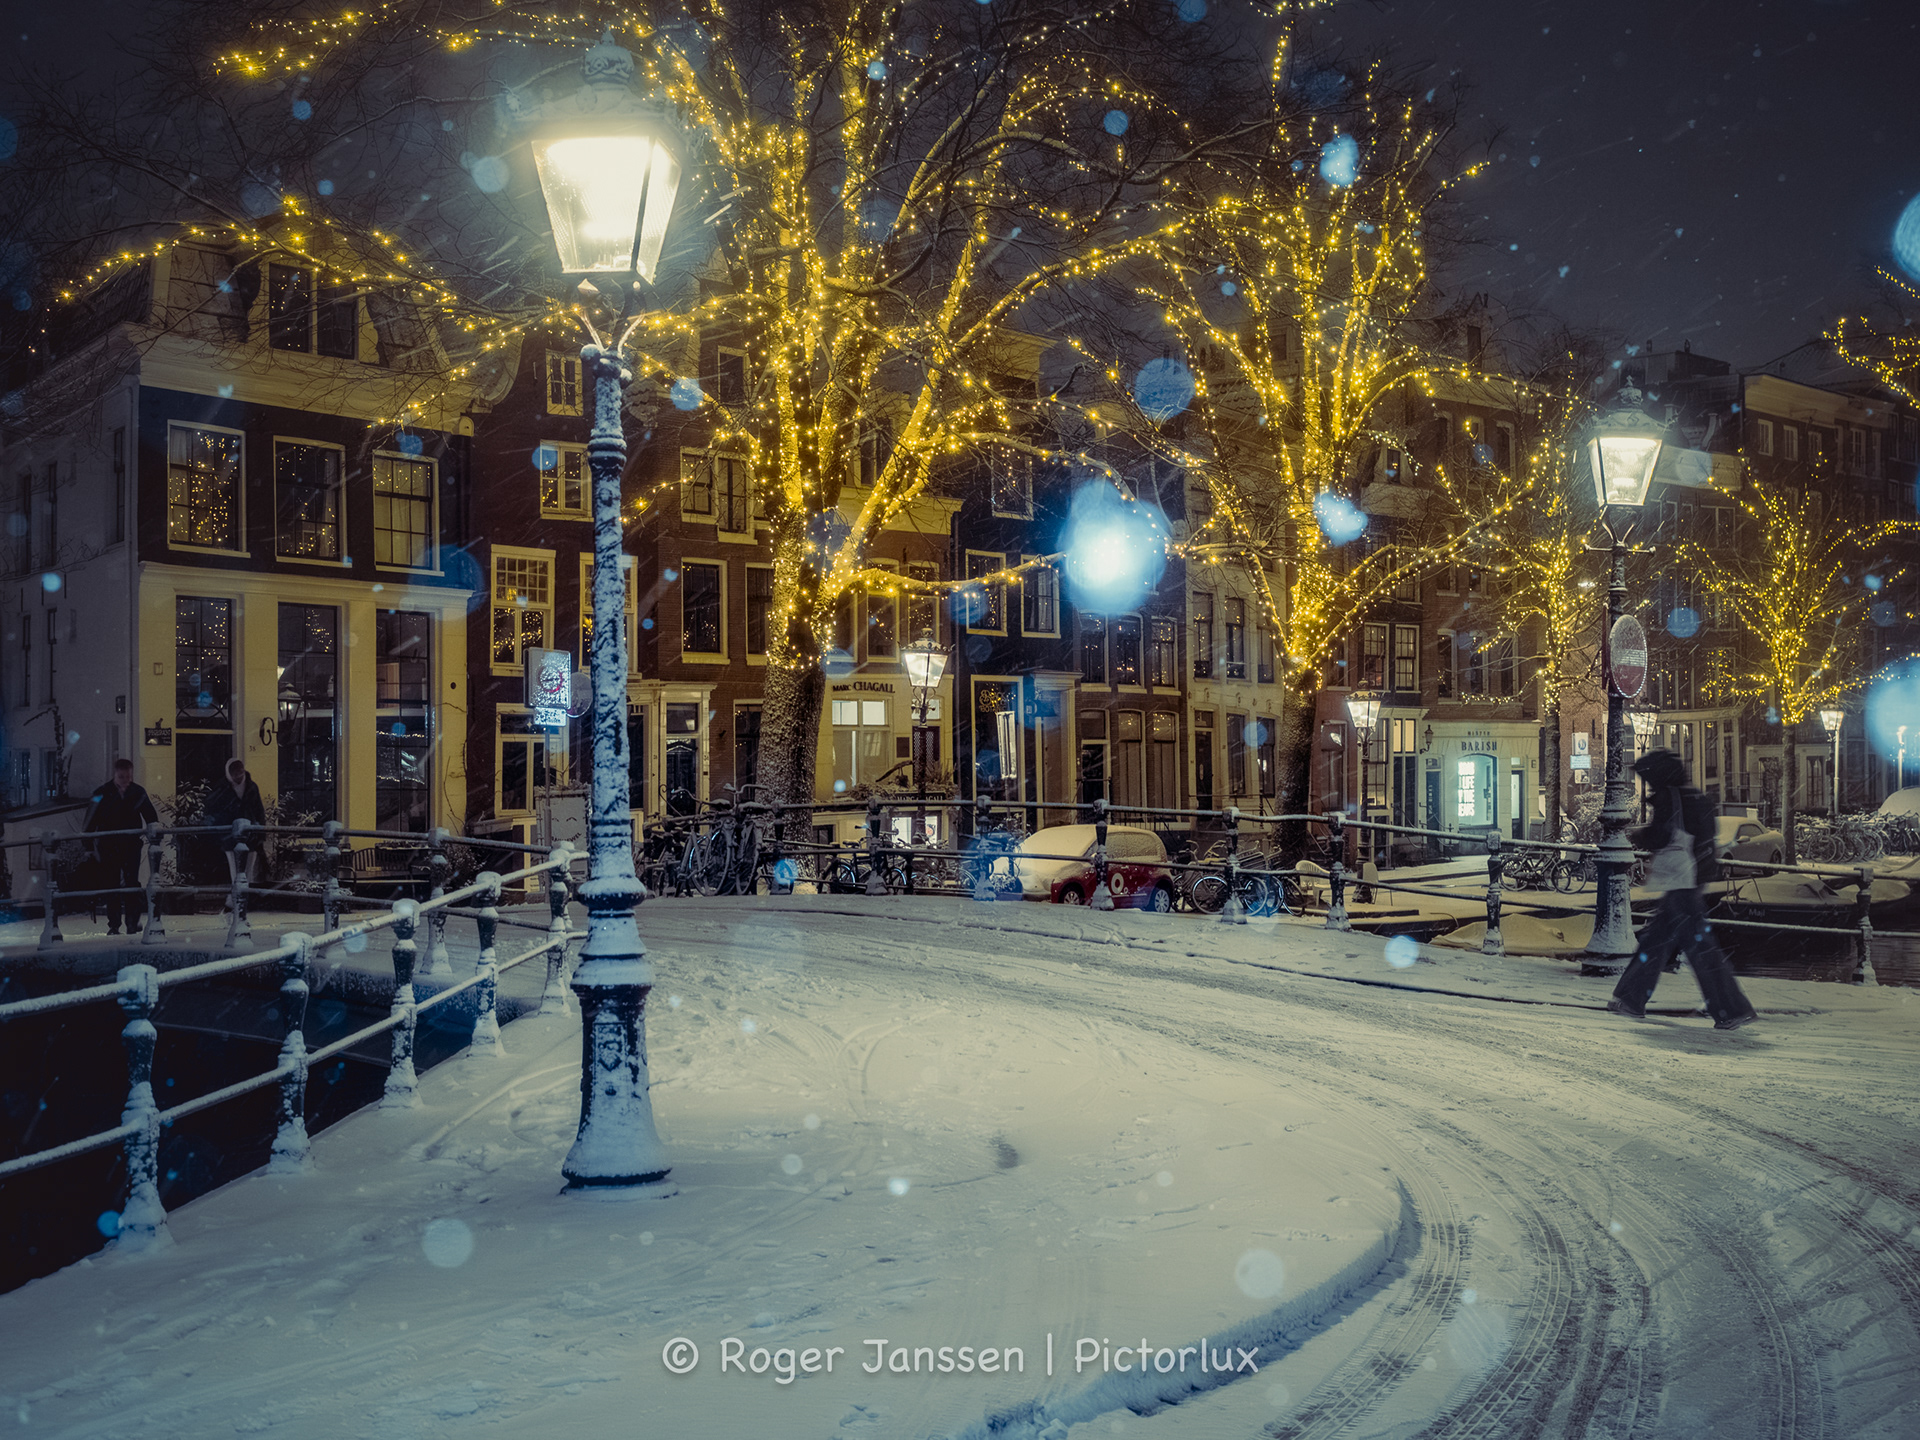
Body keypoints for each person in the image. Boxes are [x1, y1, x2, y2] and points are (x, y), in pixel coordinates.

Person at [1608, 747, 1758, 1031]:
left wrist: (1639, 834)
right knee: (1658, 940)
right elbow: (1706, 835)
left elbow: (1661, 835)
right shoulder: (1696, 797)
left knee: (1696, 948)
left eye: (1648, 778)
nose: (1647, 784)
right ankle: (1629, 998)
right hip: (1694, 875)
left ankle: (1731, 1007)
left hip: (1681, 881)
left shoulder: (1670, 797)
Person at [83, 758, 160, 936]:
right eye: (122, 777)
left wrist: (153, 830)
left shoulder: (112, 793)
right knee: (114, 883)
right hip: (112, 845)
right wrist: (88, 846)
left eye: (127, 777)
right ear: (115, 775)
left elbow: (151, 817)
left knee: (129, 882)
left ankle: (130, 923)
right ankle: (115, 924)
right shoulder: (108, 793)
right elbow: (90, 821)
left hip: (127, 844)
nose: (125, 781)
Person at [203, 757, 268, 892]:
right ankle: (237, 897)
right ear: (229, 774)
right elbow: (214, 809)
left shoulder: (251, 787)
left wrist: (261, 833)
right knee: (235, 868)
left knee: (248, 869)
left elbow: (259, 811)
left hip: (249, 834)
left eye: (240, 774)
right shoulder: (222, 788)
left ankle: (242, 898)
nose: (238, 777)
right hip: (230, 834)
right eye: (235, 775)